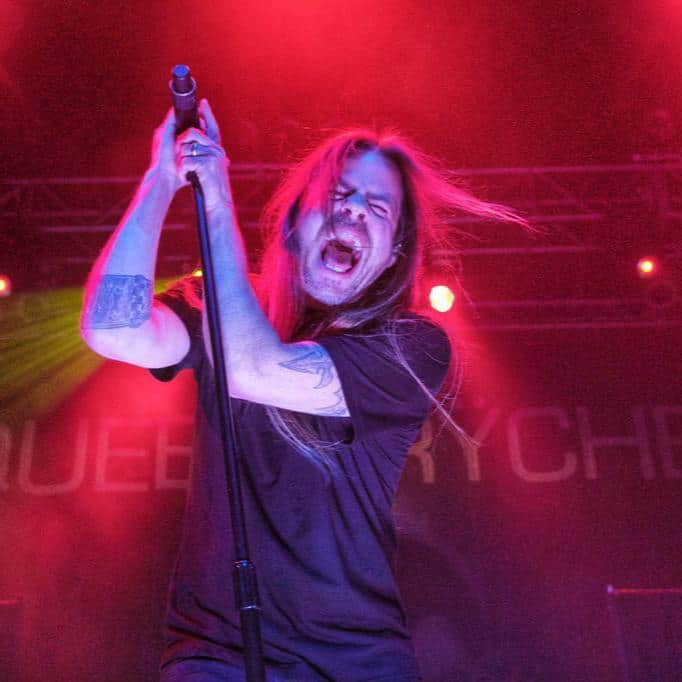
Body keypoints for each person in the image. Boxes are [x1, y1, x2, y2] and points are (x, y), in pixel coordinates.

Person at [80, 100, 523, 681]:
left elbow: (255, 369)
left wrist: (216, 201)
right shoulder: (214, 300)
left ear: (392, 254)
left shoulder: (411, 344)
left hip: (352, 663)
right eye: (339, 194)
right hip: (214, 656)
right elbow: (111, 328)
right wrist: (161, 180)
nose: (355, 213)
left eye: (378, 208)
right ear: (294, 218)